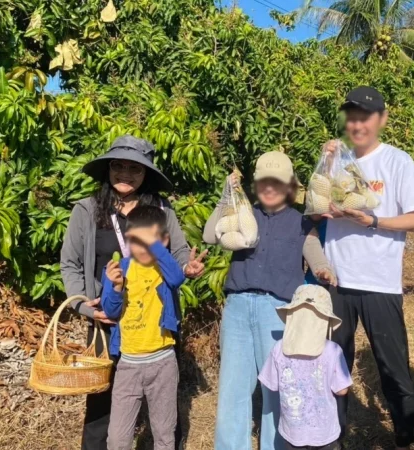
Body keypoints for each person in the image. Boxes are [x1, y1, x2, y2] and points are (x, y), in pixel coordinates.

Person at [60, 135, 206, 450]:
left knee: (164, 403)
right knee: (101, 400)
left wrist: (187, 268)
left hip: (155, 322)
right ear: (108, 169)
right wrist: (86, 307)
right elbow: (70, 264)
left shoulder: (161, 209)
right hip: (106, 319)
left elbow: (179, 254)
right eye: (118, 166)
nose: (125, 174)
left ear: (145, 173)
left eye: (135, 168)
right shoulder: (87, 210)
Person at [320, 86, 414, 450]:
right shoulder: (336, 160)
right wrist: (324, 167)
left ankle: (403, 438)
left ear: (381, 119)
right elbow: (314, 207)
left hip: (379, 284)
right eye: (351, 118)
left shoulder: (397, 161)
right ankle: (332, 439)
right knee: (332, 366)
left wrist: (372, 221)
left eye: (365, 117)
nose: (357, 125)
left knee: (392, 368)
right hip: (335, 281)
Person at [205, 152, 336, 450]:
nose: (269, 188)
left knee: (277, 388)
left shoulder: (301, 222)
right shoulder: (242, 214)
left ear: (289, 186)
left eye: (277, 182)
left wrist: (324, 270)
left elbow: (315, 255)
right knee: (233, 388)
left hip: (276, 313)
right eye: (264, 181)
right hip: (238, 307)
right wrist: (226, 197)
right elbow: (211, 236)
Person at [101, 205, 186, 450]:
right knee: (117, 439)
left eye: (150, 242)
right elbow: (110, 311)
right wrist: (116, 287)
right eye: (137, 241)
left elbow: (177, 277)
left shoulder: (164, 269)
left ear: (163, 241)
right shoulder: (120, 269)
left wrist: (157, 246)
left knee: (164, 434)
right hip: (128, 365)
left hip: (163, 364)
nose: (143, 247)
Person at [259, 284, 351, 450]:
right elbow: (342, 391)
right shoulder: (332, 350)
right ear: (326, 321)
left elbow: (271, 384)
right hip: (325, 434)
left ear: (291, 316)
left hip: (292, 434)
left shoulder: (279, 348)